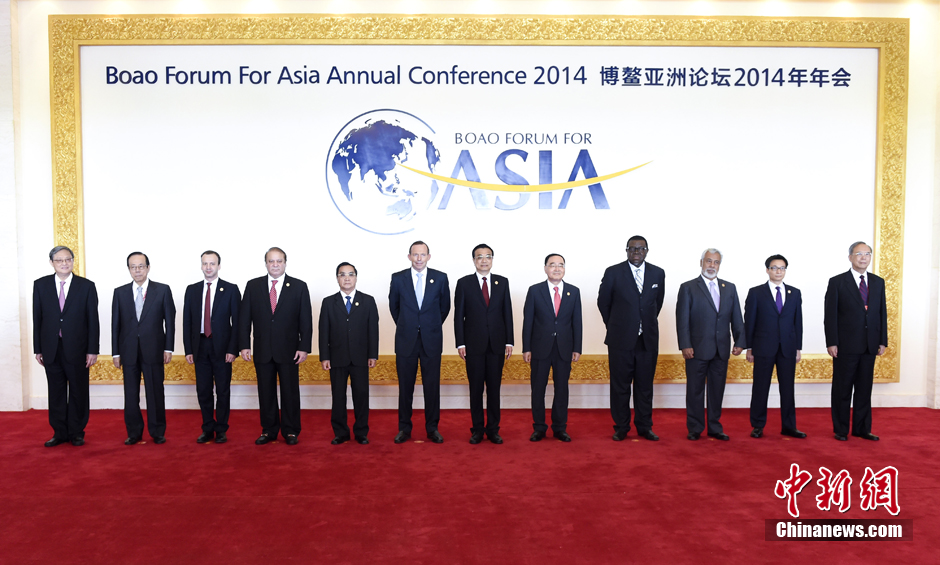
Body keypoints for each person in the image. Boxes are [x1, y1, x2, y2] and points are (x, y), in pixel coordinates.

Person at [239, 247, 312, 446]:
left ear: (285, 263)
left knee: (290, 392)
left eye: (279, 261)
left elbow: (305, 320)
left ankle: (291, 431)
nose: (275, 265)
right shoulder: (253, 286)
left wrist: (304, 346)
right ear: (266, 264)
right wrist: (244, 345)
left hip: (290, 350)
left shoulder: (299, 286)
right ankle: (269, 430)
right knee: (265, 392)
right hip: (262, 349)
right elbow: (244, 318)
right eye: (271, 261)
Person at [597, 236, 665, 442]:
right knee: (620, 386)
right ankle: (621, 427)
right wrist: (617, 325)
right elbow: (603, 303)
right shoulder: (613, 272)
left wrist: (642, 324)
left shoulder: (658, 273)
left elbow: (657, 304)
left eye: (641, 248)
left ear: (647, 251)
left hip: (647, 340)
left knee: (645, 386)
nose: (637, 252)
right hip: (620, 340)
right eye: (632, 248)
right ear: (626, 250)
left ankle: (645, 427)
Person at [33, 246, 99, 447]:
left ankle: (77, 432)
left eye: (68, 259)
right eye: (59, 260)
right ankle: (59, 432)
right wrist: (38, 348)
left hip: (78, 349)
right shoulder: (41, 285)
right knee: (56, 392)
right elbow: (37, 318)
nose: (64, 263)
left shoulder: (86, 286)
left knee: (79, 391)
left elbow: (93, 321)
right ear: (51, 263)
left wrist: (92, 349)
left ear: (72, 261)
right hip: (51, 348)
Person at [676, 248, 745, 441]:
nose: (712, 265)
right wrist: (685, 344)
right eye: (708, 261)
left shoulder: (729, 288)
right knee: (695, 390)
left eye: (716, 262)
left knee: (717, 391)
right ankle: (695, 428)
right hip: (696, 349)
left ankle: (715, 427)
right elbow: (682, 320)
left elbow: (736, 317)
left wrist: (740, 341)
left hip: (721, 349)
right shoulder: (688, 287)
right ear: (701, 262)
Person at [824, 241, 887, 442]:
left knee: (864, 389)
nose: (863, 257)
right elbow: (830, 315)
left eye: (867, 254)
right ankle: (841, 429)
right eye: (859, 254)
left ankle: (862, 429)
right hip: (845, 345)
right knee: (842, 389)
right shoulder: (837, 282)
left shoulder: (878, 282)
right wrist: (832, 342)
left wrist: (882, 340)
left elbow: (881, 313)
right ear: (850, 257)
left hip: (870, 344)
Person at [388, 241, 450, 444]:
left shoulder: (440, 278)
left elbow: (444, 308)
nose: (419, 258)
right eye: (415, 254)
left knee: (432, 388)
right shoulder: (398, 278)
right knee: (405, 388)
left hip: (431, 340)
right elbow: (394, 308)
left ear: (429, 257)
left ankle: (432, 428)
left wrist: (428, 326)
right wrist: (409, 325)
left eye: (423, 254)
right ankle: (404, 428)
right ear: (409, 257)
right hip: (406, 340)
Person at [112, 252, 176, 445]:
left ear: (148, 267)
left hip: (154, 350)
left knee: (155, 392)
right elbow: (116, 325)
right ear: (129, 269)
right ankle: (134, 432)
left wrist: (168, 348)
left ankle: (157, 431)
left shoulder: (162, 290)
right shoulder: (120, 292)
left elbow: (170, 322)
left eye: (141, 266)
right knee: (131, 394)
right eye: (133, 267)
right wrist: (116, 352)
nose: (137, 270)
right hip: (128, 351)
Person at [454, 244, 513, 444]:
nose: (484, 260)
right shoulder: (464, 283)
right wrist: (460, 343)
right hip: (473, 345)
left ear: (492, 260)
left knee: (494, 389)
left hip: (497, 344)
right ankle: (477, 430)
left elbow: (507, 313)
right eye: (480, 257)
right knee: (476, 389)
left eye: (488, 256)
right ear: (474, 260)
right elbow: (458, 316)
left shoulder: (502, 282)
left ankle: (493, 429)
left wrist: (509, 340)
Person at [744, 254, 805, 439]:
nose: (778, 271)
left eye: (782, 268)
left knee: (787, 389)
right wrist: (749, 347)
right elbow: (750, 321)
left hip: (788, 347)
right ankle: (757, 425)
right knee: (760, 387)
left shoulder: (795, 293)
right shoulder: (756, 292)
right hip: (763, 347)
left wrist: (798, 347)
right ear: (767, 270)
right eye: (774, 267)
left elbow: (798, 322)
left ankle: (789, 426)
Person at [522, 254, 582, 442]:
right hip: (540, 348)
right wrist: (526, 347)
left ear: (564, 268)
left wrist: (577, 347)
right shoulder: (535, 291)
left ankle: (559, 427)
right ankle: (539, 427)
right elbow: (528, 321)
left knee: (562, 389)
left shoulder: (573, 291)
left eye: (560, 265)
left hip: (564, 348)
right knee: (538, 389)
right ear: (545, 268)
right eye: (552, 265)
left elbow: (577, 322)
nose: (557, 269)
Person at [183, 250, 240, 444]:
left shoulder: (231, 289)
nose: (208, 267)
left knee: (223, 390)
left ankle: (221, 429)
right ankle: (207, 428)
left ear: (219, 266)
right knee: (203, 390)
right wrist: (188, 349)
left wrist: (233, 349)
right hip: (200, 346)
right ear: (201, 266)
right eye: (205, 263)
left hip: (223, 348)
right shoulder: (192, 290)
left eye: (212, 263)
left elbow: (237, 323)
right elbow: (187, 322)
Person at [318, 262, 379, 445]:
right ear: (337, 278)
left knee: (361, 395)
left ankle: (361, 432)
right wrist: (324, 356)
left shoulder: (368, 301)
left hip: (361, 357)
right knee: (338, 397)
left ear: (356, 277)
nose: (347, 278)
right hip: (337, 357)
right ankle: (341, 432)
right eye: (342, 274)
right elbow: (323, 331)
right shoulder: (329, 302)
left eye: (350, 274)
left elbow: (373, 330)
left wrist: (373, 354)